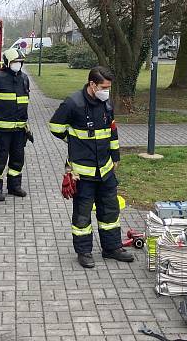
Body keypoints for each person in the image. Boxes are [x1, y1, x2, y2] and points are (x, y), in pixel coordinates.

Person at [48, 66, 134, 268]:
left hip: (105, 169)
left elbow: (112, 131)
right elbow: (55, 127)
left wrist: (115, 156)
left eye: (109, 88)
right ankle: (84, 251)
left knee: (110, 211)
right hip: (83, 172)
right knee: (82, 213)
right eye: (104, 87)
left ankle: (112, 248)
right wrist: (73, 140)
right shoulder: (73, 103)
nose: (107, 91)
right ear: (92, 84)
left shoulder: (106, 103)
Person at [0, 48, 31, 201]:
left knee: (18, 159)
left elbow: (24, 103)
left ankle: (14, 186)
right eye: (15, 62)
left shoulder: (24, 78)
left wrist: (26, 126)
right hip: (1, 130)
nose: (18, 64)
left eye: (20, 62)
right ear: (7, 63)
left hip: (19, 130)